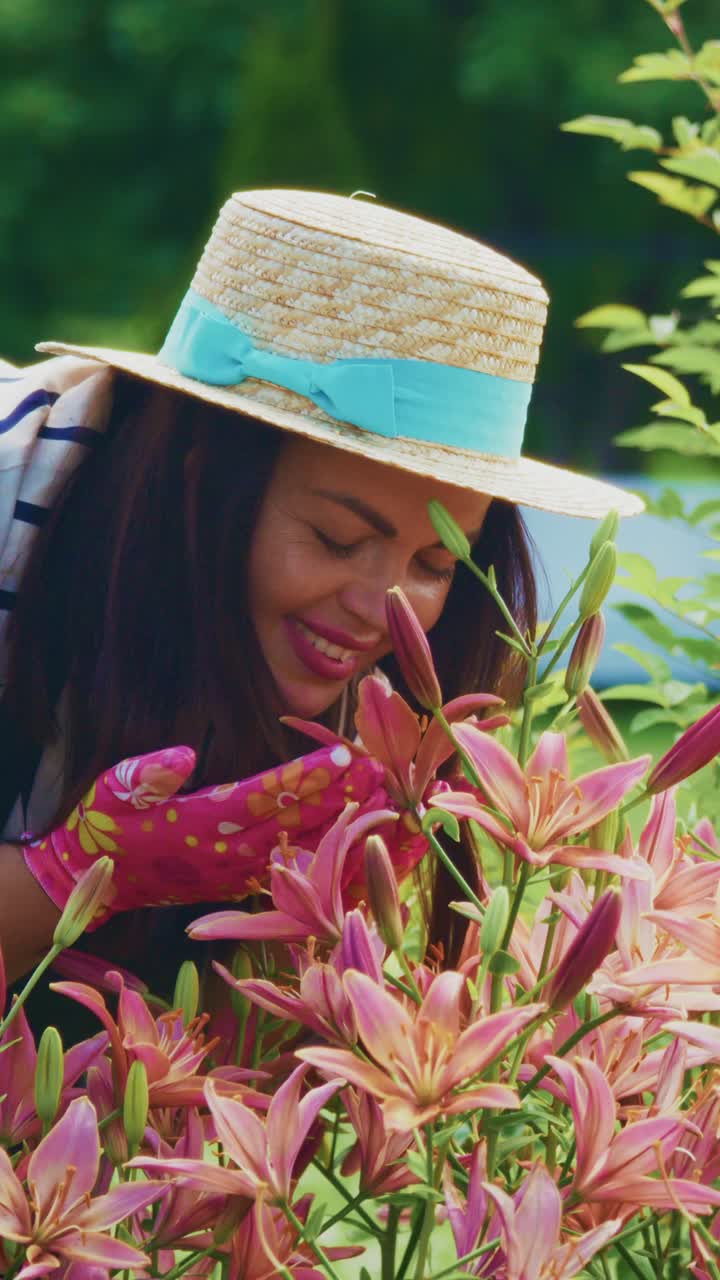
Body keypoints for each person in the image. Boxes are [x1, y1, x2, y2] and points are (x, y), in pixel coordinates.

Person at [0, 188, 642, 990]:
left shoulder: (379, 694)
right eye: (339, 539)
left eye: (435, 564)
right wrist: (75, 875)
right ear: (202, 479)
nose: (385, 615)